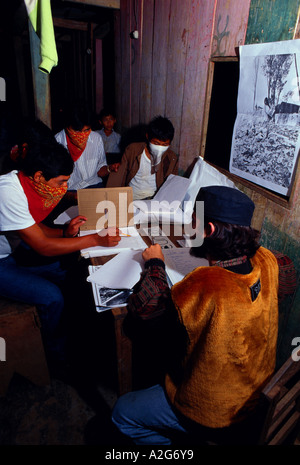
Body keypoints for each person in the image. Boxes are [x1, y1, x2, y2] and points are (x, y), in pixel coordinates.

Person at [111, 185, 279, 445]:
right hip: (257, 388)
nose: (189, 227)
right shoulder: (267, 260)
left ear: (209, 230)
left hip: (215, 411)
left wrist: (155, 263)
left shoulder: (205, 282)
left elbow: (146, 310)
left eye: (193, 221)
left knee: (123, 413)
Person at [0, 121, 121, 367]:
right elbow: (41, 245)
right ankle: (55, 355)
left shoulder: (27, 183)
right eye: (61, 182)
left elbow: (36, 228)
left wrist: (65, 232)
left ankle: (74, 331)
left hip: (10, 254)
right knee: (52, 296)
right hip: (2, 262)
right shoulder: (8, 192)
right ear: (39, 176)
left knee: (67, 271)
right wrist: (95, 239)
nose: (64, 188)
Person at [55, 103, 120, 200]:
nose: (82, 136)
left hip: (94, 186)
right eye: (77, 131)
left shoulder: (96, 139)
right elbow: (55, 182)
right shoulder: (57, 141)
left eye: (86, 130)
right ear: (67, 127)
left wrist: (109, 168)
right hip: (70, 191)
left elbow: (99, 170)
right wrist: (72, 196)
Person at [106, 116, 178, 200]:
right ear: (147, 136)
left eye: (165, 145)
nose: (160, 148)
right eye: (156, 143)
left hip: (154, 200)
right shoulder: (133, 150)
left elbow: (172, 185)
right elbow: (120, 176)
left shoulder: (171, 158)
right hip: (132, 197)